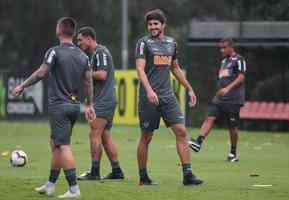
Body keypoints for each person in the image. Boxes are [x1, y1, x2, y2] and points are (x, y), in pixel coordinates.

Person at [12, 17, 96, 198]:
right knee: (55, 144)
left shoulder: (54, 52)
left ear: (59, 30)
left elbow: (42, 72)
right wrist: (89, 104)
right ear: (74, 33)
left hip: (59, 106)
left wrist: (23, 86)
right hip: (74, 106)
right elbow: (88, 81)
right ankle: (50, 184)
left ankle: (74, 189)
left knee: (63, 146)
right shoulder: (83, 56)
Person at [135, 9, 203, 186]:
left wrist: (189, 88)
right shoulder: (143, 43)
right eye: (150, 24)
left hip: (168, 96)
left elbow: (175, 68)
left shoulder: (172, 43)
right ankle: (143, 177)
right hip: (148, 97)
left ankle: (188, 175)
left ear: (163, 25)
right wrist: (149, 91)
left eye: (156, 23)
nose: (153, 27)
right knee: (146, 137)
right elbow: (140, 69)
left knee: (181, 131)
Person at [76, 26, 124, 181]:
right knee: (104, 136)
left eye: (80, 39)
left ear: (89, 38)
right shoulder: (94, 55)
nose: (78, 43)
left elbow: (102, 75)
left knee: (94, 134)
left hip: (103, 101)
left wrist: (84, 73)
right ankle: (117, 171)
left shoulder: (101, 52)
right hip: (105, 99)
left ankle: (94, 172)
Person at [189, 38, 246, 162]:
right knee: (210, 118)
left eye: (224, 47)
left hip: (233, 99)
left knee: (232, 127)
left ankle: (233, 153)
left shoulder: (239, 59)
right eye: (220, 48)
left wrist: (228, 88)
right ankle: (198, 142)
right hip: (220, 98)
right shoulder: (224, 62)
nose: (222, 50)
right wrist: (221, 90)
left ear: (231, 47)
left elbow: (241, 77)